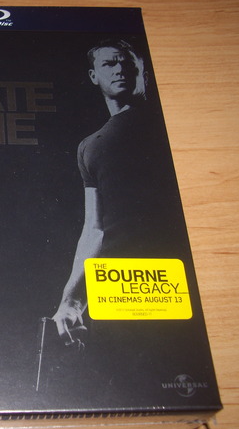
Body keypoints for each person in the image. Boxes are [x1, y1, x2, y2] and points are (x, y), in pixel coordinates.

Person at [52, 39, 178, 345]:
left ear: (142, 71)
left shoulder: (168, 124)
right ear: (94, 75)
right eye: (109, 63)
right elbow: (94, 228)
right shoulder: (90, 146)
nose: (119, 69)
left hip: (173, 279)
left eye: (127, 63)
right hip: (119, 289)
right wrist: (72, 301)